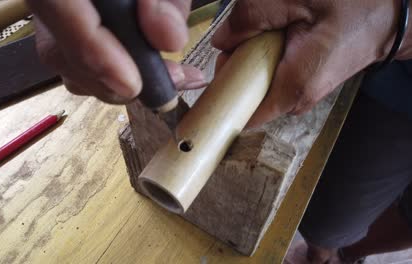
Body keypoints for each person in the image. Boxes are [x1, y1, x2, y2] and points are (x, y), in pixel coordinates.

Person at [25, 0, 412, 263]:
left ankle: (336, 253)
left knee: (340, 218)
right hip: (267, 16)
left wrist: (398, 18)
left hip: (403, 92)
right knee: (328, 215)